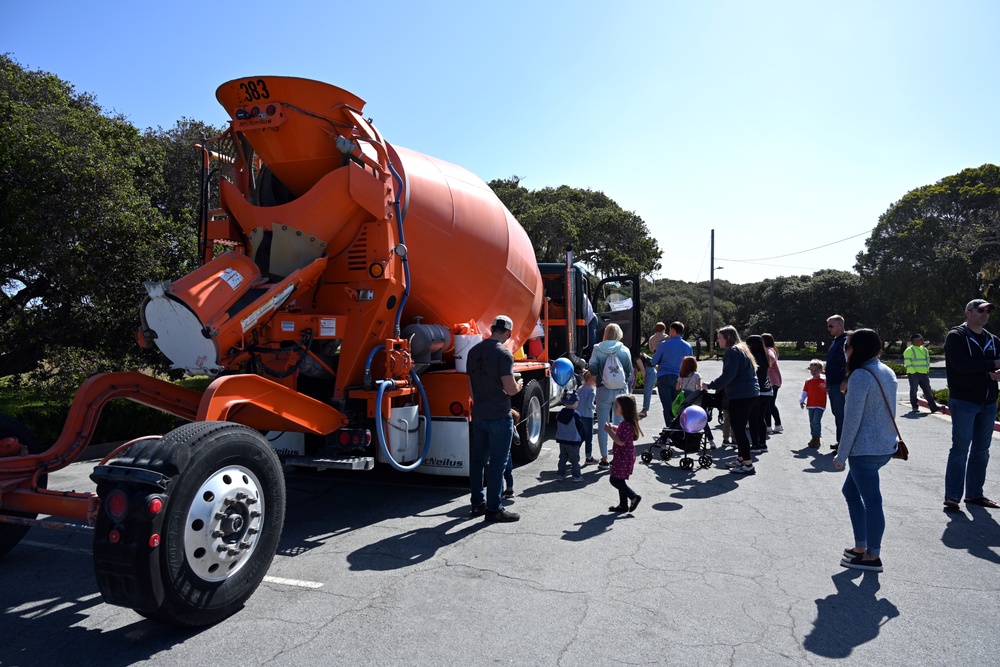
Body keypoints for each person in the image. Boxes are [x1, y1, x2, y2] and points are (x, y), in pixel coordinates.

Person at [833, 328, 899, 573]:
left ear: (857, 349)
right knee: (850, 491)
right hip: (883, 446)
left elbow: (852, 420)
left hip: (865, 449)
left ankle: (873, 556)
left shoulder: (861, 375)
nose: (845, 350)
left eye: (847, 346)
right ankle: (862, 546)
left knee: (872, 501)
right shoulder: (885, 370)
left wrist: (841, 455)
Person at [943, 299, 1000, 511]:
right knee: (960, 448)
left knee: (982, 450)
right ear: (968, 312)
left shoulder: (993, 340)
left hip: (988, 402)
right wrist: (993, 365)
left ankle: (975, 494)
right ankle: (953, 496)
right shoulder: (957, 336)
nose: (985, 314)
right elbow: (961, 366)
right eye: (981, 310)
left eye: (988, 311)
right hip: (964, 401)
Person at [467, 315, 523, 522]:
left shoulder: (473, 351)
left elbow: (470, 387)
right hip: (499, 415)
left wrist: (480, 402)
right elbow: (509, 388)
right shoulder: (504, 354)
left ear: (491, 329)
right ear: (508, 333)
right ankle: (494, 509)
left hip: (479, 413)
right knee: (498, 463)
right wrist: (518, 387)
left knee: (478, 461)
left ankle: (477, 504)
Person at [706, 326, 759, 475]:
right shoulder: (741, 349)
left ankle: (748, 464)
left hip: (741, 395)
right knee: (738, 427)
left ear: (727, 338)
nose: (717, 340)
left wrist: (710, 385)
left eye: (719, 337)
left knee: (739, 429)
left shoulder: (732, 352)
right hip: (749, 393)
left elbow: (728, 375)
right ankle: (741, 458)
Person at [589, 323, 633, 470]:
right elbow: (628, 371)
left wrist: (598, 380)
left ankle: (604, 459)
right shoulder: (624, 349)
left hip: (603, 390)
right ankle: (617, 457)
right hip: (621, 391)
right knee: (619, 426)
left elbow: (593, 368)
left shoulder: (597, 348)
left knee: (603, 425)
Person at [604, 394, 642, 512]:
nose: (615, 408)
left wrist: (609, 432)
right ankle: (623, 505)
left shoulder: (626, 425)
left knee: (614, 480)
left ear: (625, 409)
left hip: (623, 457)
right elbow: (621, 433)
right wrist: (614, 428)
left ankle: (633, 496)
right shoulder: (625, 423)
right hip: (623, 456)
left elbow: (620, 442)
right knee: (620, 480)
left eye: (617, 406)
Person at [650, 321, 693, 419]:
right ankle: (678, 428)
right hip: (679, 378)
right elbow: (690, 364)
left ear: (673, 330)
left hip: (664, 376)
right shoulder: (688, 346)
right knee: (677, 405)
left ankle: (669, 429)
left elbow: (653, 362)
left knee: (667, 406)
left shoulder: (664, 344)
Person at [746, 335, 773, 453]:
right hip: (767, 389)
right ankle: (763, 443)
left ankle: (755, 444)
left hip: (757, 390)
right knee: (761, 418)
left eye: (748, 344)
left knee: (753, 419)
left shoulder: (753, 356)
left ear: (753, 344)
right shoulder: (764, 354)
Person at [826, 315, 849, 452]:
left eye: (831, 326)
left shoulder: (846, 341)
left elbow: (849, 362)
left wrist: (845, 380)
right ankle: (840, 440)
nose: (828, 329)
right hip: (833, 383)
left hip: (841, 384)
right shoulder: (836, 340)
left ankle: (843, 445)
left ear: (840, 324)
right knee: (837, 413)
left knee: (842, 414)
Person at [903, 334, 942, 413]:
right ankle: (914, 406)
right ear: (914, 341)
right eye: (920, 339)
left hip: (924, 373)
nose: (922, 341)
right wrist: (913, 371)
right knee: (914, 390)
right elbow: (907, 362)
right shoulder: (909, 350)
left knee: (928, 390)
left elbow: (927, 360)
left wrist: (927, 369)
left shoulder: (924, 349)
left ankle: (933, 407)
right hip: (914, 374)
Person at [555, 390, 585, 482]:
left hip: (562, 440)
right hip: (573, 441)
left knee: (562, 458)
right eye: (577, 402)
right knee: (575, 460)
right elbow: (580, 428)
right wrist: (581, 438)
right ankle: (576, 476)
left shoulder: (560, 414)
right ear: (574, 403)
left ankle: (560, 474)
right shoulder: (575, 414)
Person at [640, 322, 668, 418]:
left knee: (649, 389)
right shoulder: (667, 338)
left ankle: (645, 409)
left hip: (656, 359)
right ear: (664, 329)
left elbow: (651, 349)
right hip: (666, 361)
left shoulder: (651, 338)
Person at [801, 360, 828, 448]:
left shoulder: (824, 380)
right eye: (812, 370)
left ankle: (817, 438)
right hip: (810, 404)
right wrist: (801, 400)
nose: (813, 372)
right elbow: (805, 392)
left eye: (815, 370)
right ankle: (813, 437)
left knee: (816, 421)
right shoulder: (808, 381)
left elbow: (828, 391)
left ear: (821, 370)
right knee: (812, 422)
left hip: (820, 405)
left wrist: (827, 390)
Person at [762, 333, 783, 433]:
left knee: (767, 404)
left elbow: (770, 359)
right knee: (771, 404)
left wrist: (762, 365)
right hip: (775, 380)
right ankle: (778, 424)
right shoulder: (771, 349)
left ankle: (768, 426)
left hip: (771, 381)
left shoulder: (769, 350)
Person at [578, 371, 597, 464]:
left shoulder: (580, 388)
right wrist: (595, 408)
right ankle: (588, 457)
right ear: (591, 379)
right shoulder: (591, 390)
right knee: (588, 437)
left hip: (579, 414)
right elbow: (590, 404)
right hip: (587, 416)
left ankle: (572, 454)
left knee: (580, 436)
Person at [503, 409, 519, 498]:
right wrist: (515, 430)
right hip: (508, 454)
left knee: (499, 472)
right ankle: (510, 490)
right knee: (508, 473)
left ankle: (500, 491)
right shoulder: (511, 427)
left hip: (500, 452)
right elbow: (517, 440)